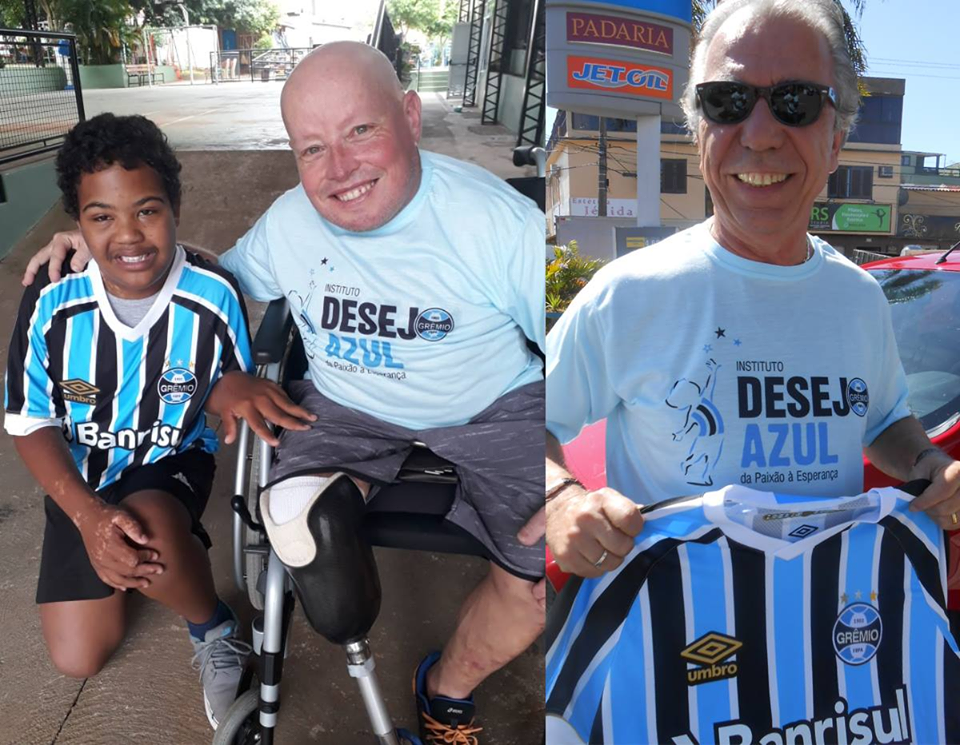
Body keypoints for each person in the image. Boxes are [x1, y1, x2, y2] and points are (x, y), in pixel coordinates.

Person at [24, 42, 546, 744]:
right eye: (312, 147)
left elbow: (581, 350)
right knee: (297, 518)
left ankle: (445, 691)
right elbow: (210, 278)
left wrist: (574, 463)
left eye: (361, 130)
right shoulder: (291, 218)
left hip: (494, 406)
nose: (340, 169)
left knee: (548, 564)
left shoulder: (499, 224)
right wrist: (102, 248)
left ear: (412, 118)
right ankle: (333, 587)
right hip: (345, 407)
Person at [545, 0, 960, 581]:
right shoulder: (630, 293)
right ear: (698, 132)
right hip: (673, 644)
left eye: (798, 102)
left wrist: (929, 463)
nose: (761, 135)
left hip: (829, 635)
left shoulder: (859, 298)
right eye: (727, 101)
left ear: (837, 142)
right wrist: (559, 500)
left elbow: (883, 422)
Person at [5, 113, 313, 730]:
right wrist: (88, 517)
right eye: (102, 218)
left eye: (146, 210)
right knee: (78, 657)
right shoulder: (51, 297)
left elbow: (224, 384)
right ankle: (124, 549)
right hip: (84, 473)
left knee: (148, 532)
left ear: (174, 205)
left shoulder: (212, 294)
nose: (129, 236)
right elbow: (28, 419)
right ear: (77, 222)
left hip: (168, 460)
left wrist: (232, 387)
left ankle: (212, 626)